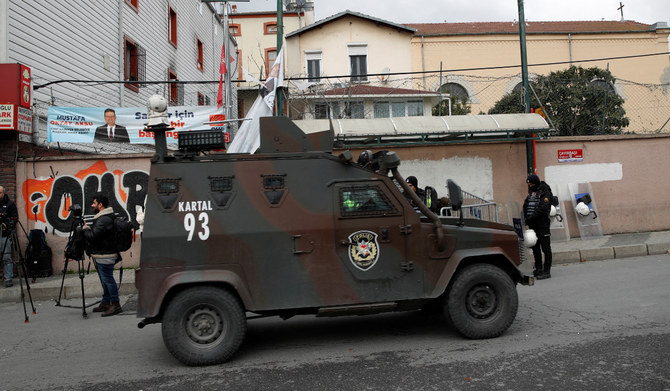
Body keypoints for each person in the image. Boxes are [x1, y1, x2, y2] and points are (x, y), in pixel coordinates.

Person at [82, 193, 122, 316]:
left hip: (105, 254)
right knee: (105, 280)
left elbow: (93, 237)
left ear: (100, 205)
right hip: (104, 253)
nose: (91, 205)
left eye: (94, 203)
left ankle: (115, 304)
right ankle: (105, 302)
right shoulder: (105, 217)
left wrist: (85, 229)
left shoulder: (103, 219)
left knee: (108, 279)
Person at [523, 174, 553, 280]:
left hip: (542, 224)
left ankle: (546, 270)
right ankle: (538, 268)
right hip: (533, 224)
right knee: (535, 247)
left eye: (531, 183)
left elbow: (543, 208)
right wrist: (524, 216)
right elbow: (526, 204)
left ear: (535, 182)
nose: (530, 185)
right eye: (528, 183)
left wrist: (530, 217)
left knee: (545, 248)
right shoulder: (532, 192)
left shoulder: (545, 192)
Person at [0, 186, 18, 287]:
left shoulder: (10, 204)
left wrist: (6, 224)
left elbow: (15, 218)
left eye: (0, 193)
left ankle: (8, 278)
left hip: (5, 235)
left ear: (3, 193)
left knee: (7, 257)